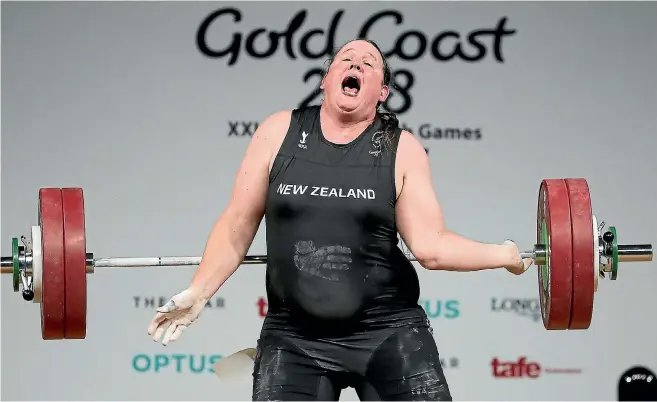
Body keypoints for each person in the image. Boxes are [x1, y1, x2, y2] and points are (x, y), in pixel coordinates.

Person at [147, 38, 533, 401]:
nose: (355, 64)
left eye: (369, 64)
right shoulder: (279, 131)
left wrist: (505, 255)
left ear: (382, 92)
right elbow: (237, 225)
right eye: (345, 60)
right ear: (325, 81)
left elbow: (431, 247)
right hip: (294, 337)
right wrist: (199, 292)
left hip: (388, 330)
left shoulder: (402, 148)